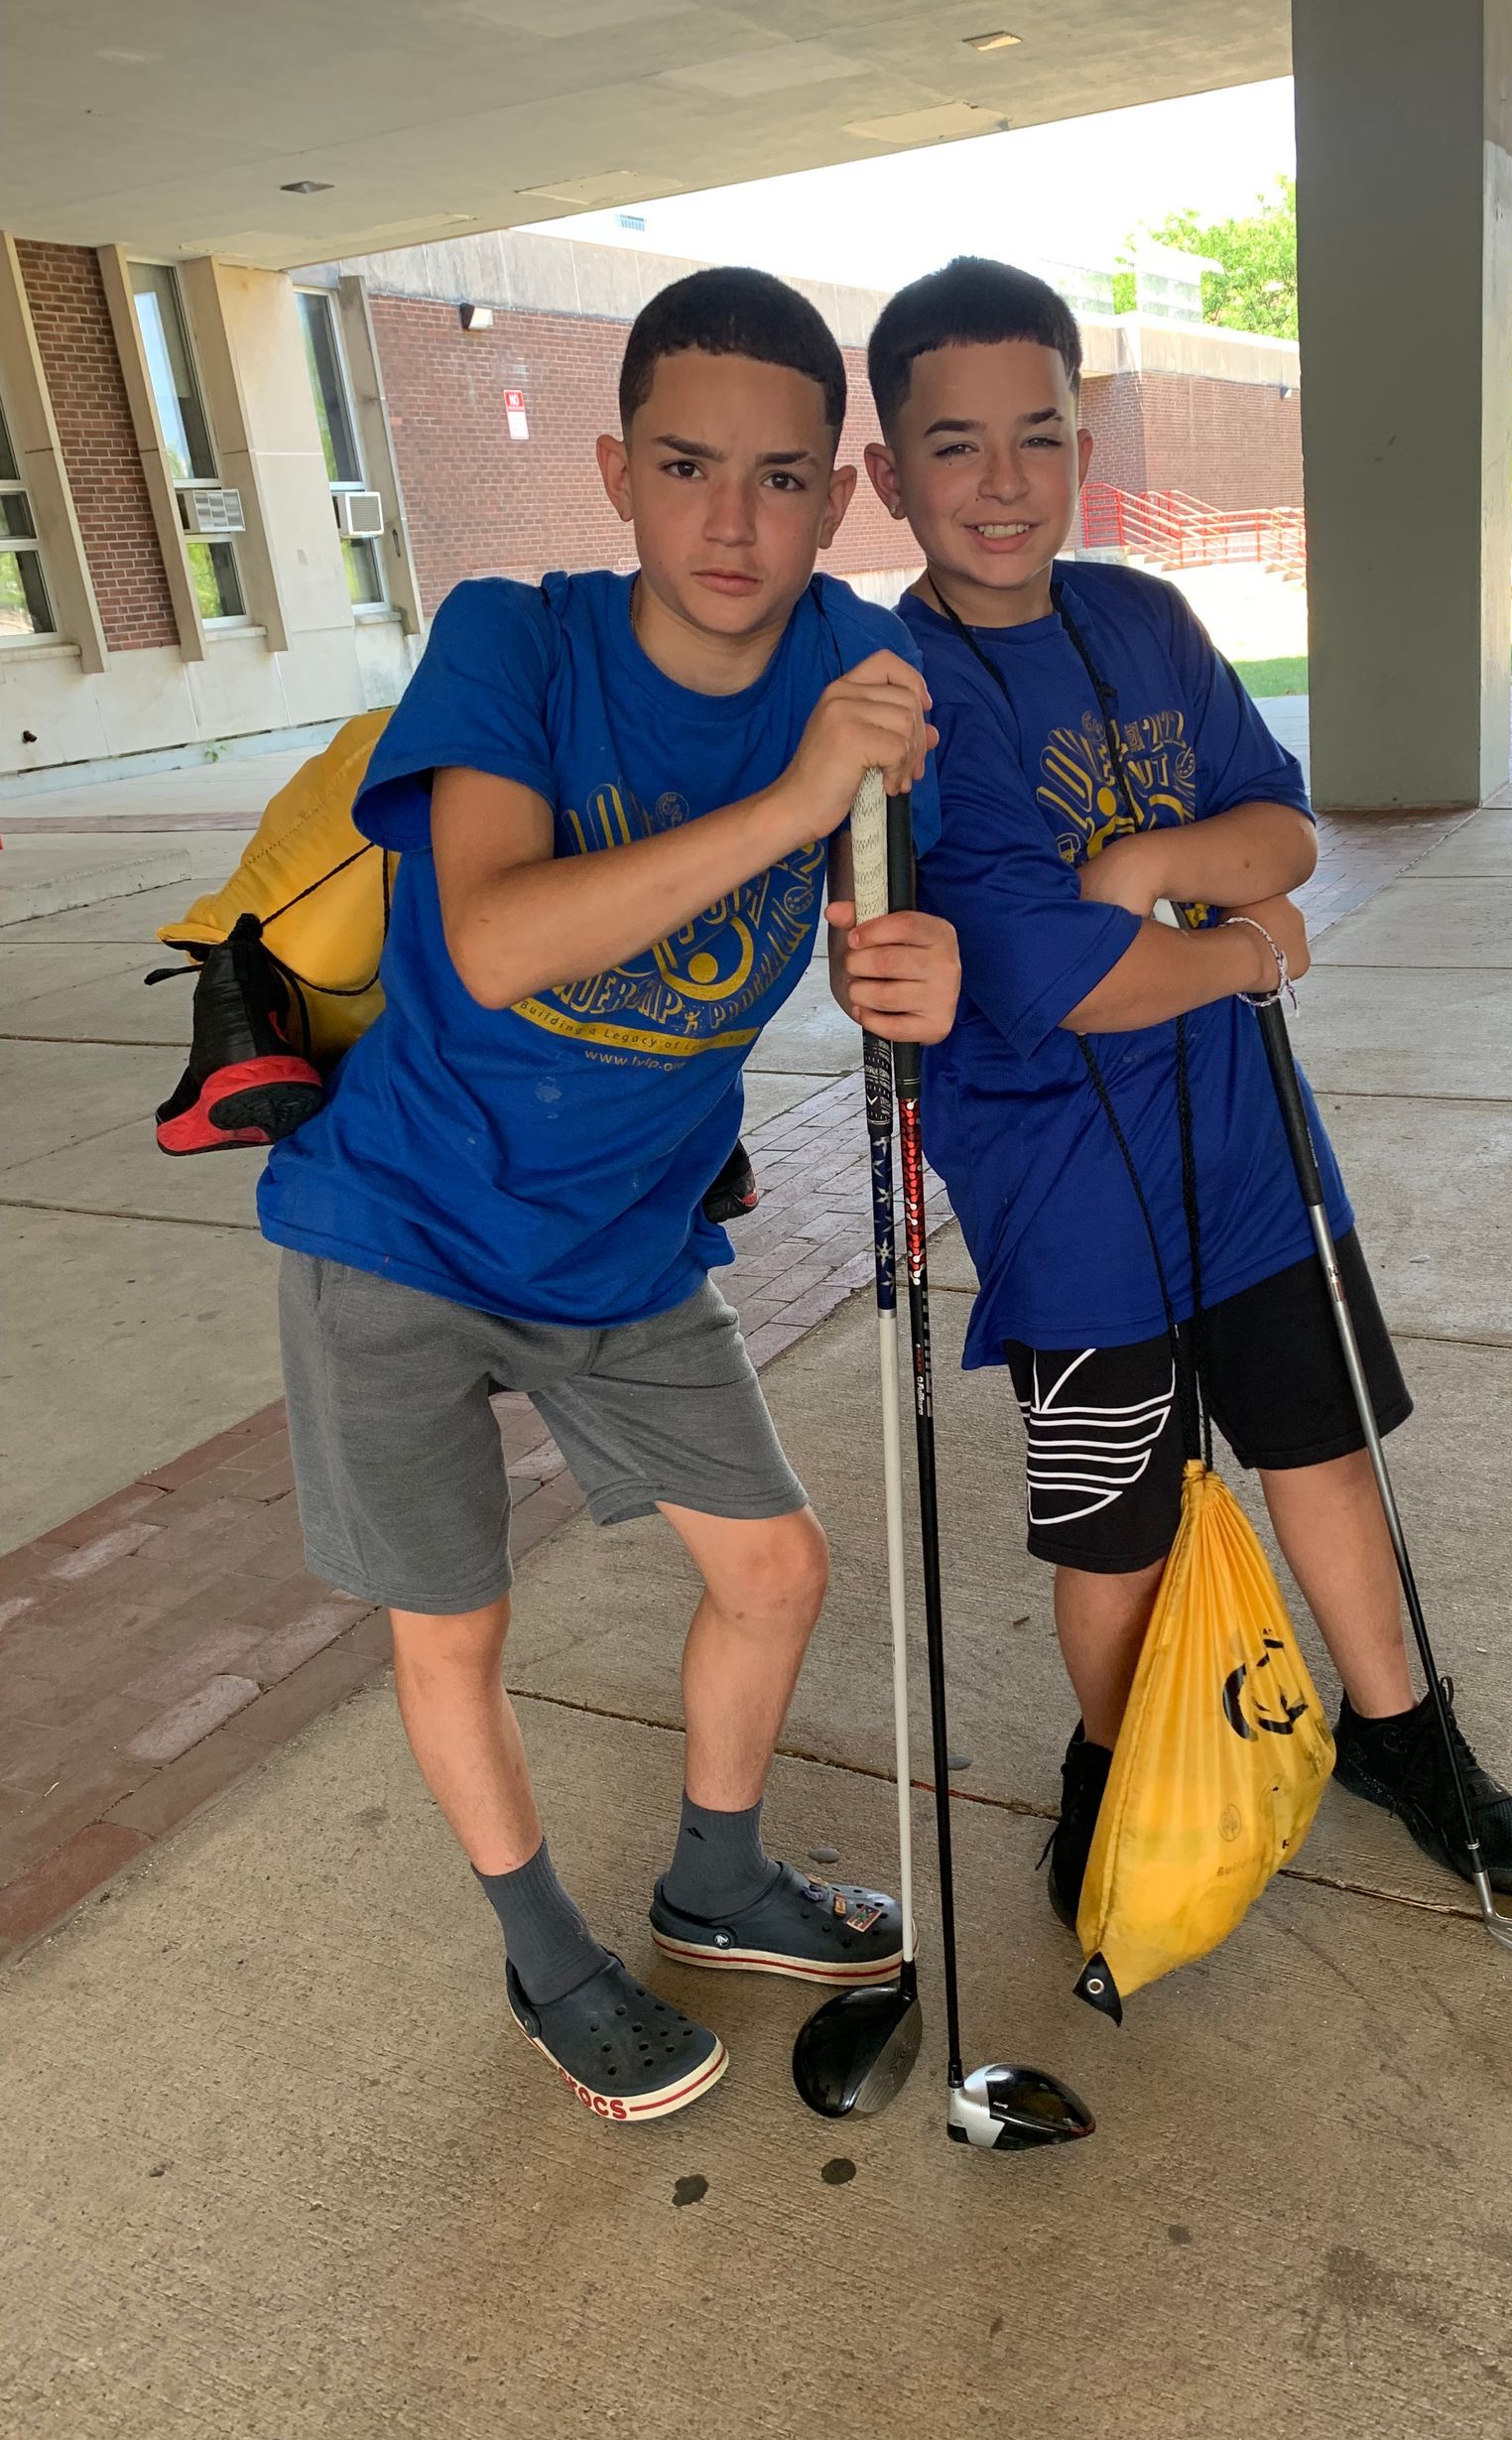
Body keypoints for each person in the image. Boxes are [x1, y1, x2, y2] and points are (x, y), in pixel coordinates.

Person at [256, 268, 958, 2123]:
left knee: (776, 1566)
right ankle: (546, 1955)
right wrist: (799, 798)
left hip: (627, 1247)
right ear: (613, 469)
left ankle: (714, 1879)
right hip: (396, 1225)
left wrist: (923, 956)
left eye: (785, 477)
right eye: (687, 465)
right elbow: (489, 938)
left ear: (840, 490)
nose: (734, 522)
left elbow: (902, 915)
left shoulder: (857, 671)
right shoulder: (515, 640)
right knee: (455, 1622)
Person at [861, 258, 1512, 1925]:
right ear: (888, 474)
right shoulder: (904, 702)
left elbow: (1286, 828)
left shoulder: (1146, 619)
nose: (1004, 481)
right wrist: (1241, 947)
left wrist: (1156, 857)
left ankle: (1401, 1728)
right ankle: (1121, 1760)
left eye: (1039, 435)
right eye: (956, 446)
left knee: (1323, 1453)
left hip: (1249, 1149)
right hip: (1065, 1198)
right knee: (1119, 1530)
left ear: (1084, 440)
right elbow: (1058, 978)